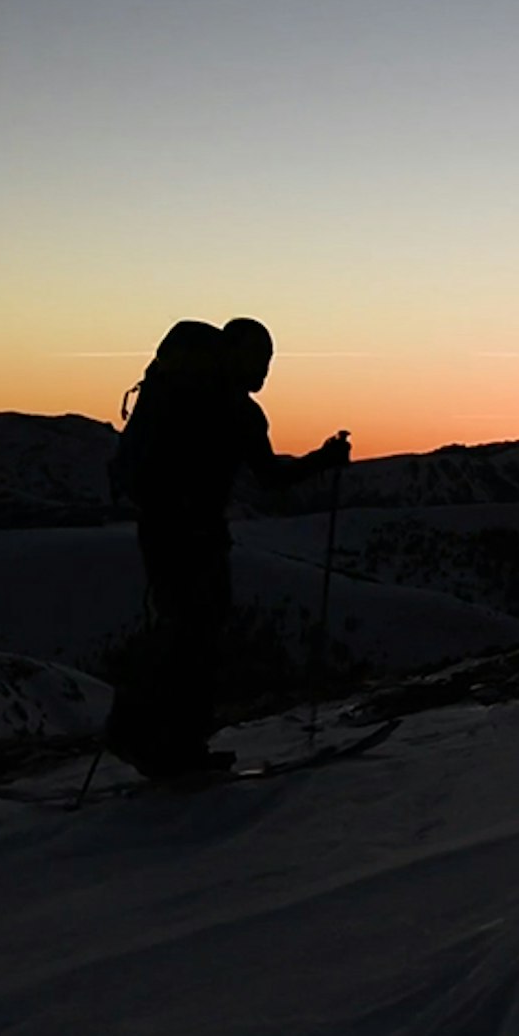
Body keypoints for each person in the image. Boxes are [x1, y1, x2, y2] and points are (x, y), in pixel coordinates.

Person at [105, 317, 351, 777]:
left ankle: (152, 737)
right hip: (196, 535)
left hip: (160, 529)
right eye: (263, 360)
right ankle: (178, 749)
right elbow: (271, 477)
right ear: (241, 356)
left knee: (181, 631)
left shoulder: (183, 394)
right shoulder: (235, 409)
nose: (265, 371)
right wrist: (325, 460)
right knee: (198, 636)